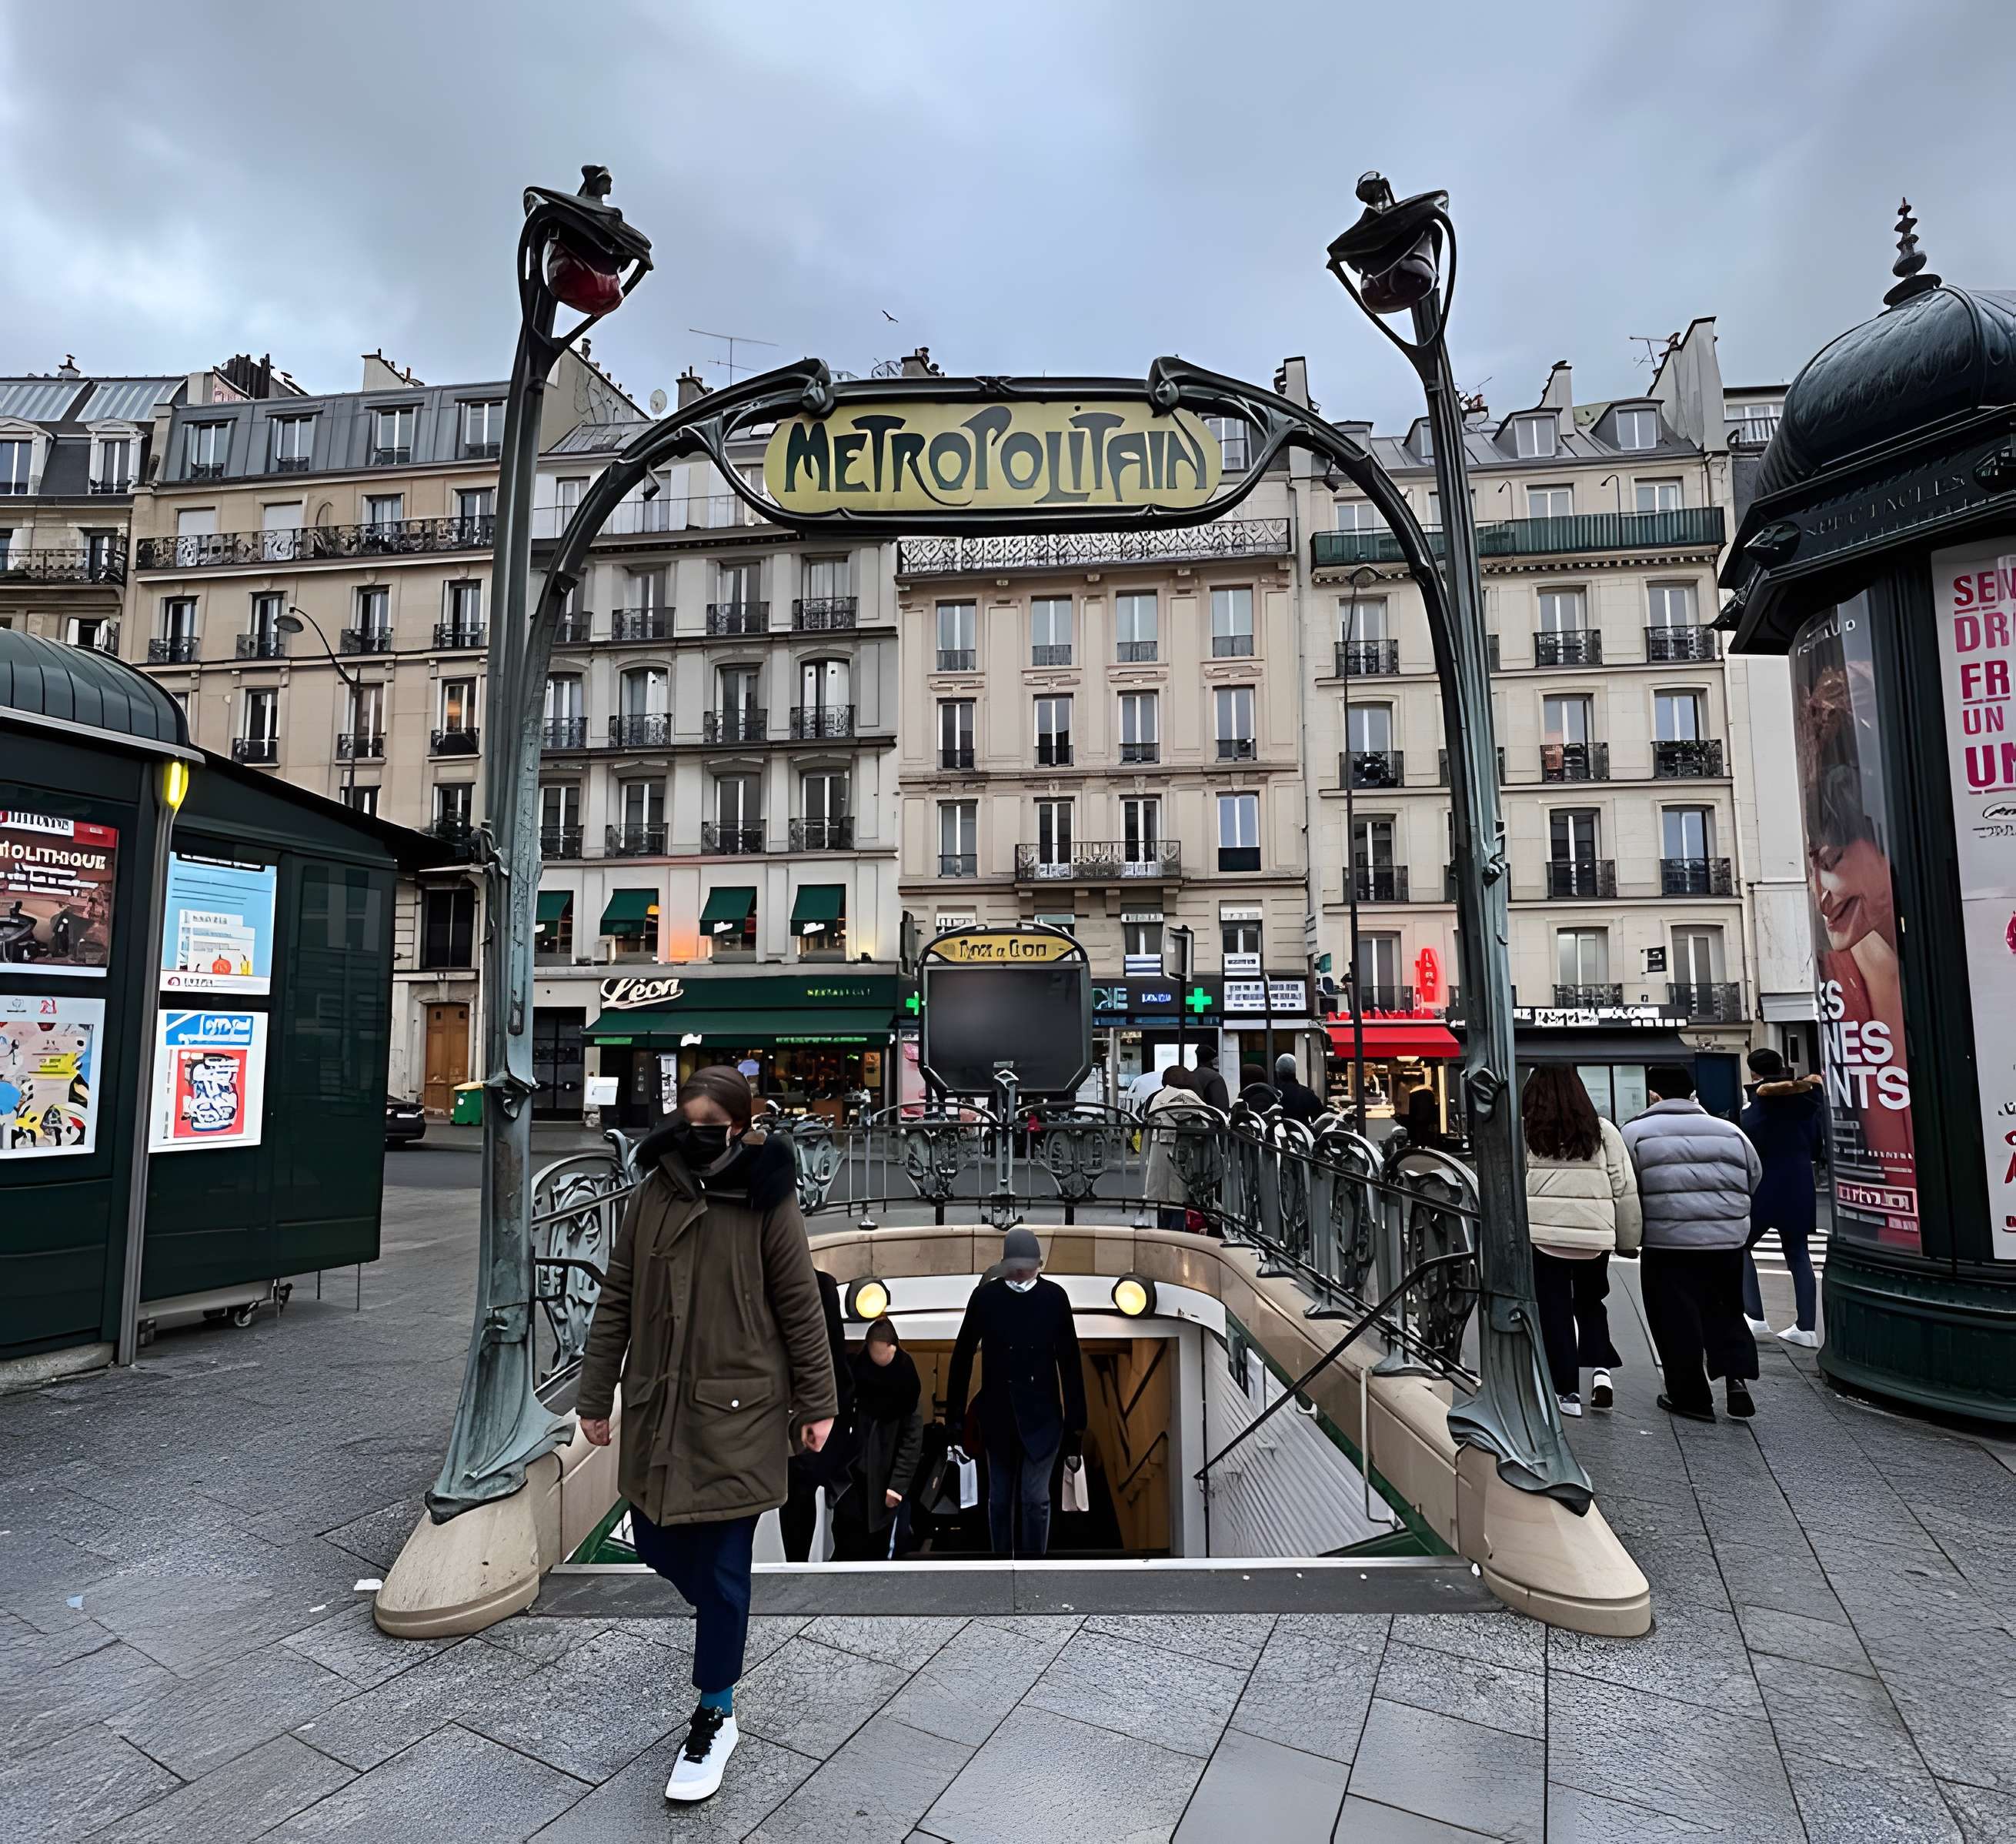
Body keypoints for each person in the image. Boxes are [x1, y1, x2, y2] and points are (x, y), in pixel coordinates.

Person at [576, 1065, 836, 1804]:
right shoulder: (655, 1189)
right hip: (660, 1408)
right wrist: (597, 1396)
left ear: (742, 1127)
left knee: (723, 1570)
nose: (696, 1138)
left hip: (740, 1412)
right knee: (657, 1542)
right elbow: (618, 1296)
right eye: (686, 1123)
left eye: (710, 1127)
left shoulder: (767, 1198)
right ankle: (724, 1626)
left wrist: (818, 1404)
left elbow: (800, 1306)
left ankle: (715, 1710)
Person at [1623, 1063, 1763, 1424]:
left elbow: (1627, 1185)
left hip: (1668, 1242)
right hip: (1726, 1240)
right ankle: (1736, 1380)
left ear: (1654, 1095)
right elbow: (1754, 1175)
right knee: (1727, 1310)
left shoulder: (1637, 1132)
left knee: (1676, 1319)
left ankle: (1692, 1397)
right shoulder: (1729, 1131)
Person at [945, 1227, 1086, 1558]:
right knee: (999, 1499)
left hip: (1043, 1417)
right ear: (1005, 1263)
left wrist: (1076, 1428)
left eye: (1028, 1265)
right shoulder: (986, 1298)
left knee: (1035, 1498)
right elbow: (962, 1356)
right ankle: (1000, 1564)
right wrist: (953, 1421)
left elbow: (1070, 1362)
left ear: (1039, 1264)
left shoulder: (1054, 1298)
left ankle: (1033, 1565)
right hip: (998, 1415)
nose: (1022, 1271)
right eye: (1017, 1264)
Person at [1521, 1066, 1642, 1416]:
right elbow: (1623, 1186)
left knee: (1554, 1310)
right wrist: (1628, 1239)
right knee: (1591, 1302)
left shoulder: (1528, 1132)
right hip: (1595, 1236)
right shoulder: (1602, 1130)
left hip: (1545, 1234)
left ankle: (1567, 1392)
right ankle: (1601, 1374)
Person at [1740, 1048, 1824, 1348]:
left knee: (1740, 1245)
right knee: (1799, 1252)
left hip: (1764, 1183)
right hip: (1800, 1182)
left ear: (1753, 1073)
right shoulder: (1808, 1103)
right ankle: (1806, 1327)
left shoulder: (1756, 1108)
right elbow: (1817, 1146)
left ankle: (1754, 1317)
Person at [778, 1268, 856, 1562]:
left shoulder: (822, 1286)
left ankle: (795, 1565)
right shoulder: (820, 1285)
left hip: (805, 1414)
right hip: (782, 1409)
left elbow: (833, 1356)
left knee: (799, 1495)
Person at [833, 1317, 923, 1559]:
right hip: (853, 1476)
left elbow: (912, 1440)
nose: (879, 1359)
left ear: (894, 1347)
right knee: (847, 1540)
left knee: (881, 1547)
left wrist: (897, 1486)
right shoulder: (857, 1373)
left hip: (886, 1481)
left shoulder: (907, 1383)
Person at [1143, 1065, 1213, 1231]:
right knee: (1179, 1204)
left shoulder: (1157, 1098)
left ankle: (1164, 1236)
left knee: (1163, 1205)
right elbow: (1209, 1122)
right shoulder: (1191, 1098)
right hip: (1183, 1159)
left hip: (1159, 1157)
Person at [1273, 1053, 1322, 1124]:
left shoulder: (1272, 1094)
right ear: (1295, 1071)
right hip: (1302, 1132)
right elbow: (1320, 1119)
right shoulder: (1306, 1093)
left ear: (1277, 1072)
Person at [1190, 1044, 1230, 1112]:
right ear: (1212, 1060)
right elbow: (1222, 1107)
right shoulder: (1214, 1077)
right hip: (1210, 1119)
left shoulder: (1191, 1076)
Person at [1403, 1086, 1445, 1151]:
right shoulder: (1429, 1094)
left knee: (1419, 1130)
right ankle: (1424, 1144)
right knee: (1424, 1130)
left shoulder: (1414, 1095)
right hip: (1425, 1117)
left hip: (1417, 1117)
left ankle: (1418, 1144)